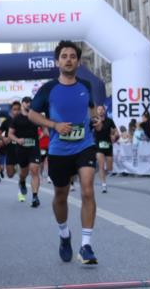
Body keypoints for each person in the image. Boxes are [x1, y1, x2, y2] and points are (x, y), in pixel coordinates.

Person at [28, 40, 102, 266]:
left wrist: (95, 119)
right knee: (61, 194)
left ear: (78, 62)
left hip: (85, 145)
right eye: (64, 56)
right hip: (59, 149)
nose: (68, 59)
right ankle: (64, 234)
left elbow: (90, 108)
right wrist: (54, 125)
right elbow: (32, 114)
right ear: (57, 61)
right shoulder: (48, 88)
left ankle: (86, 245)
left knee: (87, 188)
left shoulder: (86, 86)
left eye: (72, 56)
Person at [10, 96, 43, 208]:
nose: (29, 104)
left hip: (34, 147)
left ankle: (35, 197)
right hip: (21, 149)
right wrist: (18, 140)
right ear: (22, 104)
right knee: (24, 172)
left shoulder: (35, 116)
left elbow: (44, 128)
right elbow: (10, 134)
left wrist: (41, 135)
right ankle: (22, 181)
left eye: (30, 102)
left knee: (34, 170)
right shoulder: (16, 118)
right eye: (26, 102)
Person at [93, 105, 118, 194]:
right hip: (98, 145)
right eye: (98, 109)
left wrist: (114, 135)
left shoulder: (109, 121)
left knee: (110, 167)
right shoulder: (95, 120)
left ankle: (102, 173)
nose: (100, 111)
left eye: (101, 109)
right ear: (97, 111)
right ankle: (103, 184)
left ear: (104, 111)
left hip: (108, 145)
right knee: (101, 165)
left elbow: (116, 131)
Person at [0, 102, 20, 182]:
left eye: (18, 109)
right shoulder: (6, 122)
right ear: (11, 111)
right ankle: (15, 169)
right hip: (10, 150)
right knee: (10, 175)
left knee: (22, 172)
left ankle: (22, 182)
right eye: (14, 109)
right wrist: (3, 138)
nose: (17, 111)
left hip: (21, 149)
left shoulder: (25, 120)